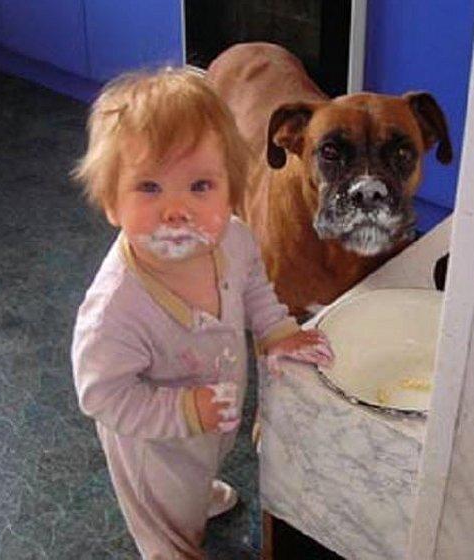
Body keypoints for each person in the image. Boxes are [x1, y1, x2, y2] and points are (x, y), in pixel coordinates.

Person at [70, 67, 334, 559]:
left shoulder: (235, 238)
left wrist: (278, 331)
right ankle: (172, 539)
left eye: (200, 185)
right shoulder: (115, 311)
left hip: (210, 422)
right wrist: (187, 411)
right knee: (168, 526)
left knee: (199, 471)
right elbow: (102, 395)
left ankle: (195, 494)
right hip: (152, 449)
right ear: (111, 202)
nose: (177, 209)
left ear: (232, 191)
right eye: (150, 187)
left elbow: (255, 288)